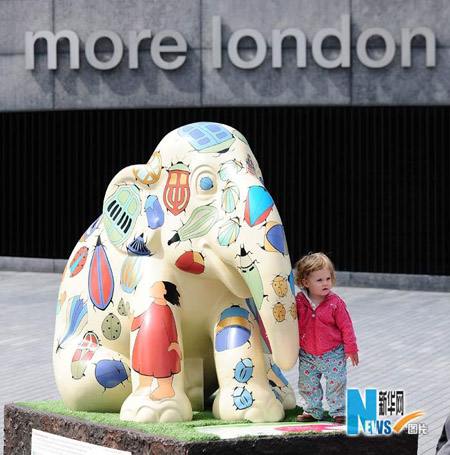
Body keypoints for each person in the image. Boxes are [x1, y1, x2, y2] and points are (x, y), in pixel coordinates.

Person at [294, 252, 359, 424]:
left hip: (333, 353)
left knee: (336, 382)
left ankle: (338, 411)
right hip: (307, 354)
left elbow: (347, 326)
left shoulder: (335, 303)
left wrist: (351, 348)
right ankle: (312, 410)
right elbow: (292, 322)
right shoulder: (299, 302)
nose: (325, 283)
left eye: (328, 278)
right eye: (319, 280)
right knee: (307, 383)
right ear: (305, 282)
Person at [129, 281, 182, 400]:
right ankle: (144, 385)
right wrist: (133, 321)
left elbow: (171, 328)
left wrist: (174, 343)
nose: (151, 287)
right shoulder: (152, 306)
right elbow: (142, 318)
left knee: (162, 368)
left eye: (155, 286)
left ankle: (166, 388)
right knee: (147, 366)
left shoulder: (166, 310)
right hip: (149, 345)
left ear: (164, 292)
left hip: (162, 346)